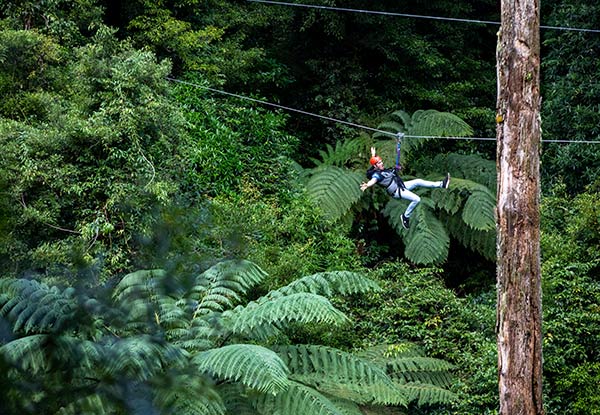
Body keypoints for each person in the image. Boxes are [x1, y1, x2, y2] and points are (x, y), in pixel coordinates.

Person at [360, 147, 450, 229]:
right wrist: (368, 185)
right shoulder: (377, 175)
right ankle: (405, 216)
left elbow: (373, 164)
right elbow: (373, 180)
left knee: (417, 181)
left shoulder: (380, 170)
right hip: (396, 191)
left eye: (381, 161)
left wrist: (373, 155)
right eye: (379, 163)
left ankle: (441, 184)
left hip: (400, 185)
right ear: (375, 166)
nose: (382, 163)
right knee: (417, 199)